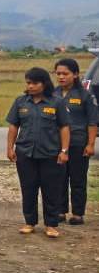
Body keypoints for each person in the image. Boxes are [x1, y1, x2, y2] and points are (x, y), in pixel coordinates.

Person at [6, 67, 70, 238]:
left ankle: (51, 224)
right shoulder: (21, 102)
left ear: (44, 84)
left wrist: (64, 150)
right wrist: (10, 148)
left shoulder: (57, 103)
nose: (31, 86)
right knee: (28, 189)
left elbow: (64, 128)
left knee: (51, 190)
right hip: (25, 153)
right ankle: (29, 222)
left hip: (50, 154)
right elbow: (13, 126)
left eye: (35, 83)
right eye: (28, 83)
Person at [52, 58, 98, 225]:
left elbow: (92, 122)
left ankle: (78, 213)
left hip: (78, 143)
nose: (61, 77)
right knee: (59, 179)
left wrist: (90, 144)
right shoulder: (53, 94)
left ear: (76, 74)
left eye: (65, 73)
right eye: (58, 73)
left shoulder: (85, 95)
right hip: (57, 144)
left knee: (78, 180)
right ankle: (60, 211)